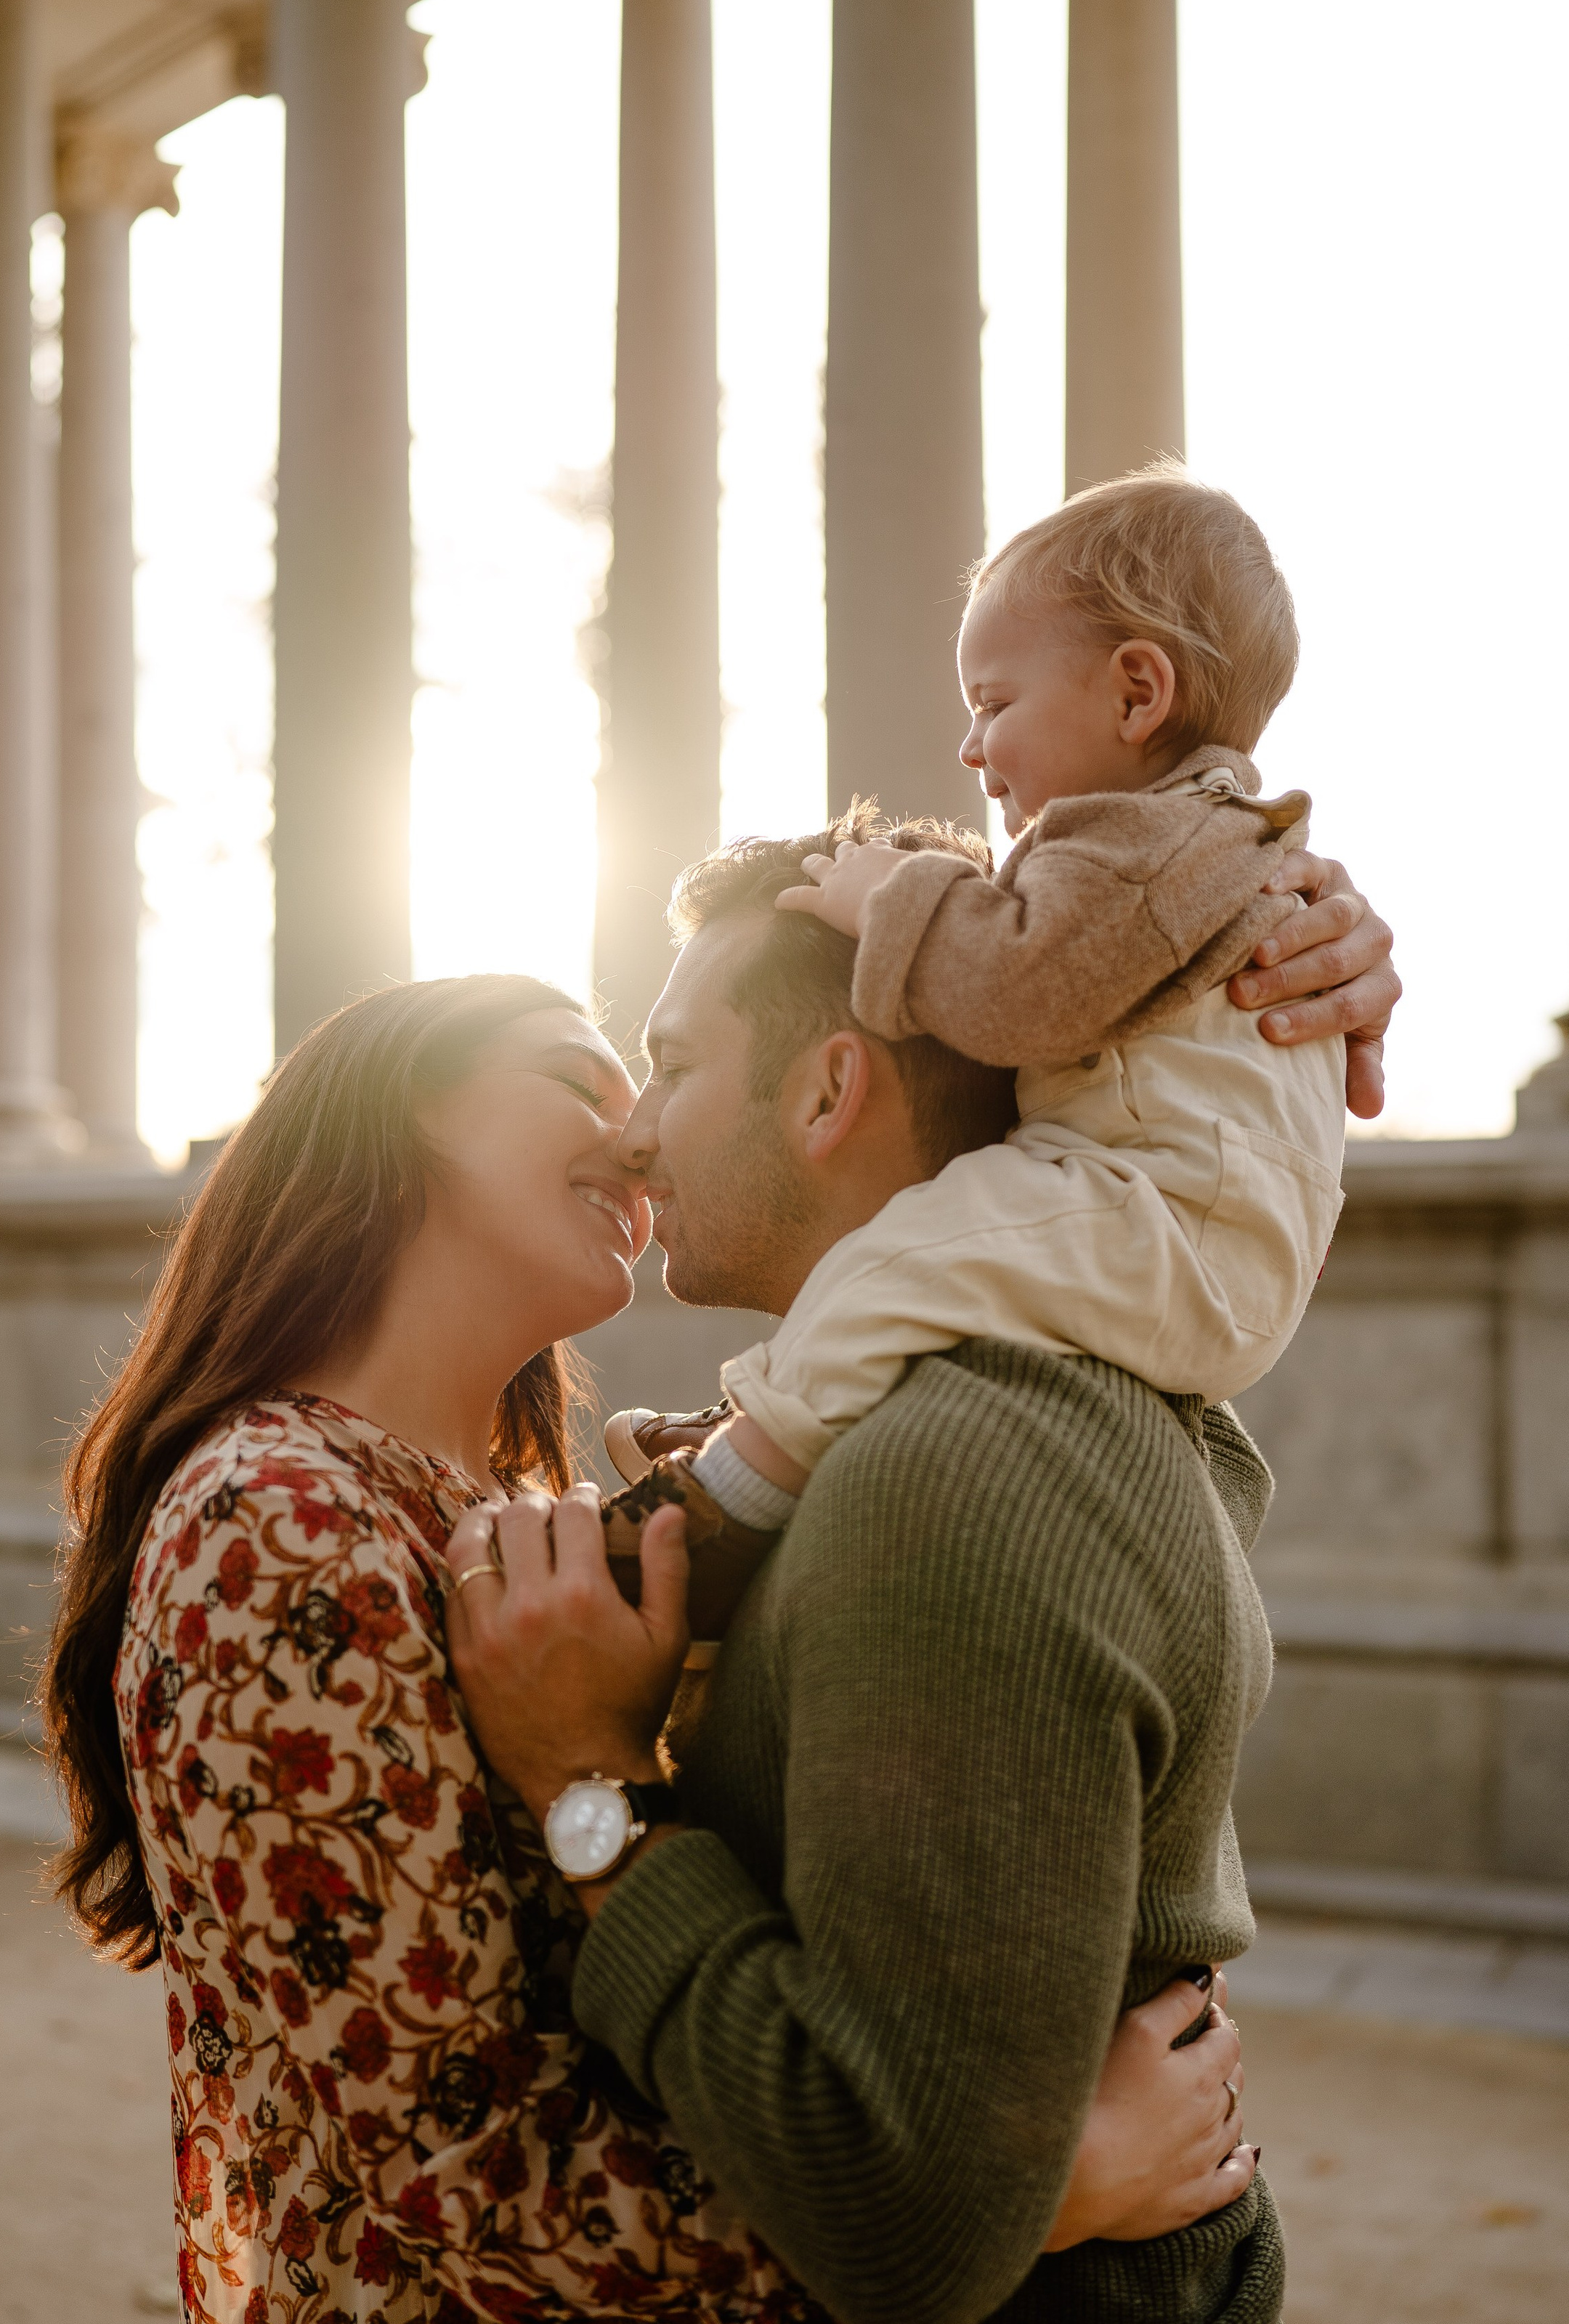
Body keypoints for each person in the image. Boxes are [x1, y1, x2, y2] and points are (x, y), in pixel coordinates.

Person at [40, 973, 1311, 2324]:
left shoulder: (499, 1514)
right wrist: (1023, 2201)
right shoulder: (273, 1520)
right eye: (575, 1080)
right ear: (392, 1114)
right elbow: (472, 2182)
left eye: (649, 1084)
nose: (639, 1135)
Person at [444, 828, 1401, 2324]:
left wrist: (590, 1791)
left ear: (829, 1090)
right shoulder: (964, 1411)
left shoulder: (948, 1479)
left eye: (672, 1064)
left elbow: (904, 2227)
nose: (633, 1139)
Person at [604, 471, 1355, 1579]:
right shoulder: (1208, 848)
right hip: (1179, 1222)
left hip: (1165, 1221)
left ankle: (720, 1504)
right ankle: (755, 1442)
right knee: (922, 1272)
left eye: (995, 705)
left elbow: (1026, 993)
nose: (968, 748)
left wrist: (884, 899)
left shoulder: (1144, 849)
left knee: (898, 1264)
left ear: (1138, 694)